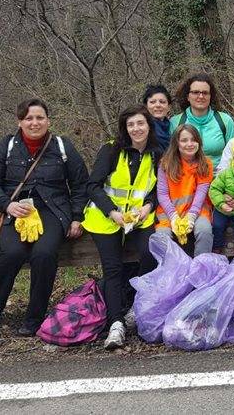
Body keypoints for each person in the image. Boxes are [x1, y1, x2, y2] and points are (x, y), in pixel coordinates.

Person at [0, 99, 89, 336]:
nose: (34, 123)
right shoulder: (6, 146)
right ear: (20, 121)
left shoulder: (62, 145)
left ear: (48, 120)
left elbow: (80, 184)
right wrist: (7, 205)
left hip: (53, 210)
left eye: (39, 118)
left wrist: (77, 216)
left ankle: (34, 316)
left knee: (44, 254)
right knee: (12, 253)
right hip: (16, 210)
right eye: (28, 118)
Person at [81, 106, 159, 349]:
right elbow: (93, 185)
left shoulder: (156, 152)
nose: (136, 129)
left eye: (141, 124)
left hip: (139, 217)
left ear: (148, 125)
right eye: (131, 125)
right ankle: (116, 324)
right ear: (125, 128)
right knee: (112, 267)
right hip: (107, 217)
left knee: (150, 254)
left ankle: (136, 309)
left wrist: (148, 206)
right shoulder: (111, 150)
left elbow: (159, 187)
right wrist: (112, 212)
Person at [155, 124, 214, 256]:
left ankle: (201, 268)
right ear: (177, 143)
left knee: (204, 230)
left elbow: (201, 191)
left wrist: (192, 215)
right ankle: (171, 270)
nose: (189, 144)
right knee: (162, 236)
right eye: (184, 140)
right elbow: (162, 194)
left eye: (193, 140)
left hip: (197, 210)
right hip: (169, 211)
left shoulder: (205, 163)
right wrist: (173, 216)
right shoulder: (165, 164)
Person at [171, 74, 234, 167]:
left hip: (219, 177)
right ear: (188, 96)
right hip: (186, 178)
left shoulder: (225, 121)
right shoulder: (175, 122)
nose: (201, 96)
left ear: (210, 97)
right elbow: (171, 156)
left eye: (205, 93)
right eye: (195, 92)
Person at [142, 84, 173, 153]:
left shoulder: (173, 126)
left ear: (169, 107)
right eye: (152, 102)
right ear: (146, 106)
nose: (158, 105)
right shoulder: (142, 128)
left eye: (162, 102)